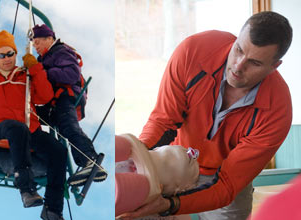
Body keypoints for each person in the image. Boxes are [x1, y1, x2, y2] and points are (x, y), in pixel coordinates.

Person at [118, 11, 293, 219]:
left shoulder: (278, 111)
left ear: (274, 67)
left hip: (226, 177)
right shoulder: (193, 51)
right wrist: (137, 156)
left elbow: (227, 185)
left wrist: (169, 204)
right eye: (238, 50)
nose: (238, 66)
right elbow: (163, 121)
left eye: (254, 63)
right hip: (177, 162)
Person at [0, 30, 68, 219]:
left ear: (16, 53)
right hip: (0, 131)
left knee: (59, 152)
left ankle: (53, 209)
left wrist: (36, 69)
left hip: (30, 130)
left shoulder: (26, 75)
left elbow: (45, 97)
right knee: (16, 128)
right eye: (1, 55)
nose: (6, 59)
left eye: (10, 54)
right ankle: (26, 189)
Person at [28, 24, 107, 186]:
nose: (35, 47)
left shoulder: (60, 52)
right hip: (53, 102)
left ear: (49, 39)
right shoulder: (44, 59)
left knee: (68, 126)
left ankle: (90, 161)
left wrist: (43, 71)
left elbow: (71, 74)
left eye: (37, 42)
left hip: (66, 96)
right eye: (33, 44)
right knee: (29, 116)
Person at [114, 134, 200, 216]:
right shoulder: (129, 147)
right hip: (134, 155)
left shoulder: (145, 188)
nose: (189, 153)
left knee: (138, 187)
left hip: (141, 182)